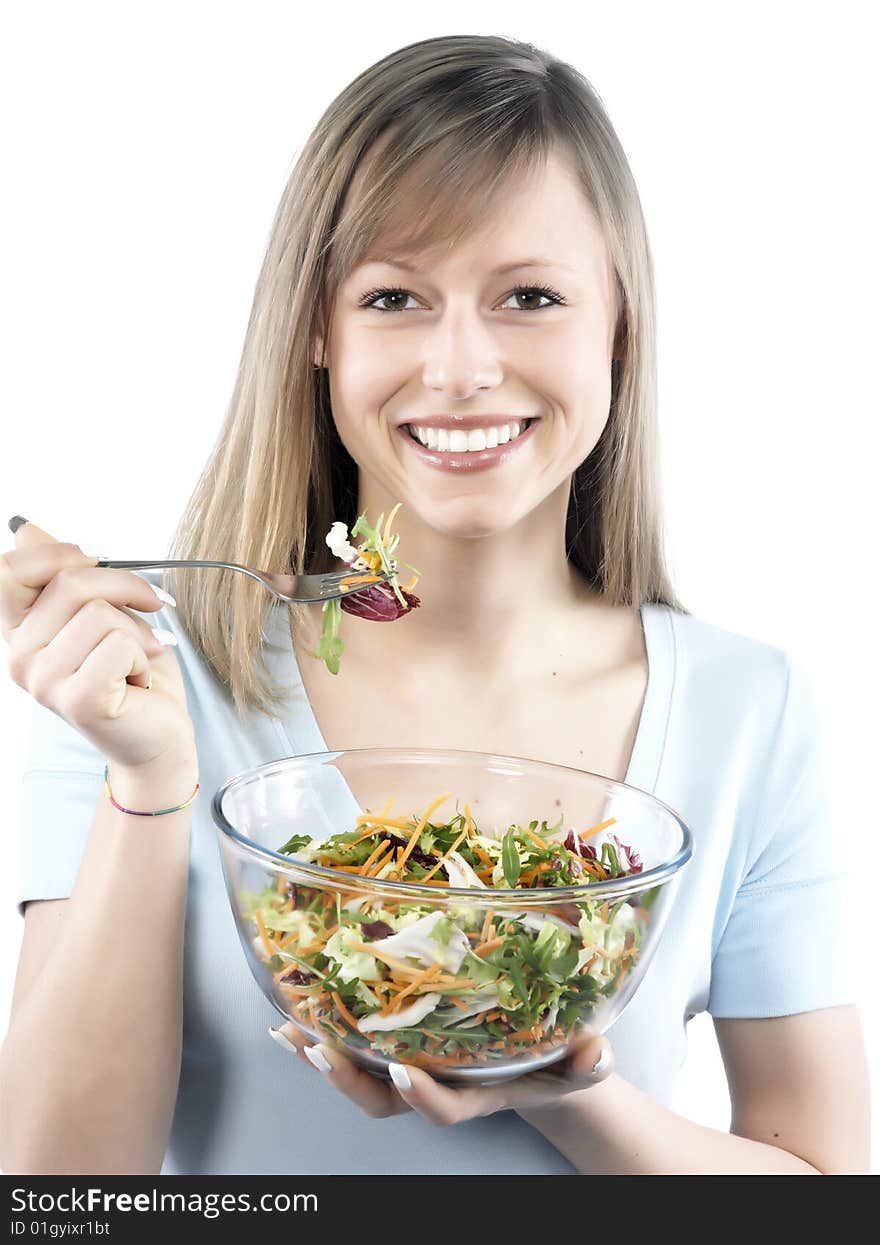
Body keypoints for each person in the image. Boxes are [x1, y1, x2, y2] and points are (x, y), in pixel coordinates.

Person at [0, 34, 869, 1176]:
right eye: (396, 295)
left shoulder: (747, 708)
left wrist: (565, 1091)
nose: (460, 368)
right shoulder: (145, 683)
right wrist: (151, 785)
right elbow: (62, 1197)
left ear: (619, 327)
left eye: (530, 296)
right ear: (319, 330)